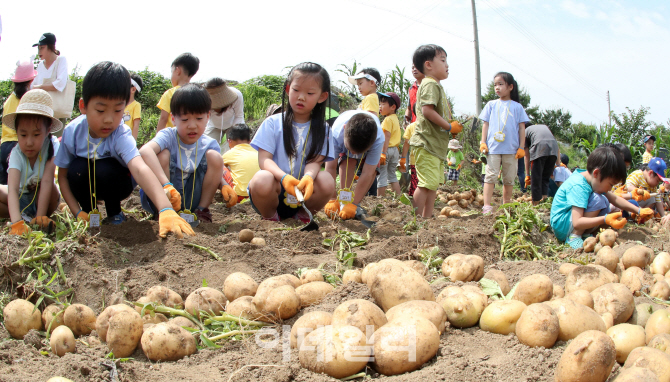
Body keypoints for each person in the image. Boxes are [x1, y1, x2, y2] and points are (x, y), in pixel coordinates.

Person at [55, 61, 194, 237]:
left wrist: (165, 209)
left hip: (119, 182)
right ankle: (88, 212)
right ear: (83, 106)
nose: (108, 120)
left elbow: (139, 167)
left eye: (117, 110)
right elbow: (62, 175)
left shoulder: (120, 133)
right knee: (77, 169)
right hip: (85, 181)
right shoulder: (72, 132)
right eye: (100, 110)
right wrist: (76, 212)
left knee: (105, 168)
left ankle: (115, 213)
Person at [248, 62, 335, 222]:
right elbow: (264, 160)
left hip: (303, 194)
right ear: (288, 89)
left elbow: (315, 162)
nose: (301, 97)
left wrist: (308, 177)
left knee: (327, 180)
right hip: (272, 192)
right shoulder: (272, 123)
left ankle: (302, 215)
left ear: (322, 97)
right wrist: (284, 178)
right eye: (296, 90)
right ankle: (270, 217)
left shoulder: (323, 129)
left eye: (309, 93)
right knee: (262, 178)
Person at [139, 84, 223, 223]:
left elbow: (217, 172)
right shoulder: (168, 136)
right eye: (184, 120)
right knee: (162, 154)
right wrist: (166, 185)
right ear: (173, 118)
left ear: (208, 116)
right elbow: (144, 151)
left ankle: (201, 211)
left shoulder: (209, 143)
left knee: (215, 157)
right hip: (165, 194)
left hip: (191, 198)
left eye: (199, 119)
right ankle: (164, 210)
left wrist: (225, 185)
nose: (192, 125)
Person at [550, 146, 649, 249]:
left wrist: (638, 210)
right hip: (561, 226)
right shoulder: (579, 185)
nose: (610, 188)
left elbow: (615, 199)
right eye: (611, 184)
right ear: (596, 173)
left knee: (608, 203)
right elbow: (577, 222)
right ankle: (574, 236)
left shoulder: (592, 179)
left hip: (568, 222)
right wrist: (605, 219)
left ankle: (586, 234)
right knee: (599, 199)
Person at [409, 44, 462, 218]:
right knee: (425, 184)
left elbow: (435, 114)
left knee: (432, 185)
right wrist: (448, 126)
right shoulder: (430, 84)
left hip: (434, 146)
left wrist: (450, 125)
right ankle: (415, 221)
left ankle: (427, 218)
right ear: (429, 65)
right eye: (443, 60)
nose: (447, 65)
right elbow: (427, 111)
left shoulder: (435, 85)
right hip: (426, 143)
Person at [0, 90, 61, 235]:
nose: (29, 142)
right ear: (17, 132)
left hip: (44, 199)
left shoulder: (52, 146)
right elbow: (13, 189)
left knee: (52, 187)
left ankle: (35, 217)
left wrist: (40, 218)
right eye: (23, 134)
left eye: (36, 134)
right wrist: (16, 223)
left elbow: (46, 181)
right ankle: (19, 217)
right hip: (21, 198)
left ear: (48, 130)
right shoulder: (16, 153)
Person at [479, 72, 529, 214]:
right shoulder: (491, 105)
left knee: (509, 178)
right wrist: (483, 142)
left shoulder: (517, 107)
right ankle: (487, 206)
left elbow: (521, 128)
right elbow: (486, 124)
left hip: (511, 149)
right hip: (493, 148)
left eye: (501, 84)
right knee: (490, 176)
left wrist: (521, 147)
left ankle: (506, 205)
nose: (497, 87)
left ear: (510, 87)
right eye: (495, 85)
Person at [324, 110, 383, 219]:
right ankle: (343, 201)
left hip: (369, 140)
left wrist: (354, 204)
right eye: (350, 149)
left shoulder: (378, 139)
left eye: (358, 152)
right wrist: (331, 198)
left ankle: (352, 204)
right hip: (344, 134)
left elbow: (368, 173)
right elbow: (330, 167)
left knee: (373, 171)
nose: (354, 154)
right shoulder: (336, 134)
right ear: (345, 128)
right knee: (347, 160)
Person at [1, 61, 37, 185]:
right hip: (19, 146)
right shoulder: (28, 99)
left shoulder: (9, 100)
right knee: (20, 190)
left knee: (5, 187)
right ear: (31, 80)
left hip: (4, 146)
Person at [30, 33, 69, 134]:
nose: (39, 51)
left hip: (58, 111)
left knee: (55, 141)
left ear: (51, 47)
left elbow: (60, 84)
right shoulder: (40, 65)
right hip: (43, 111)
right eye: (38, 48)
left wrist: (40, 87)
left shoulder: (61, 60)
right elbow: (32, 86)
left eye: (42, 48)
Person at [156, 53, 200, 132]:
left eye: (172, 71)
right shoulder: (197, 94)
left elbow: (163, 119)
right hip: (191, 137)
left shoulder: (170, 93)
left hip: (171, 139)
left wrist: (158, 140)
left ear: (178, 70)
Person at [204, 78, 244, 154]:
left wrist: (236, 135)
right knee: (207, 147)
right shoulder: (202, 100)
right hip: (213, 126)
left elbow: (239, 116)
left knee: (234, 148)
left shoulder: (237, 95)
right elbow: (203, 119)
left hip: (232, 125)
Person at [222, 124, 260, 203]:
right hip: (260, 194)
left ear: (229, 141)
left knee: (219, 166)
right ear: (250, 141)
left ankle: (227, 195)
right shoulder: (258, 153)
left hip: (240, 196)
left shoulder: (229, 154)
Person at [523, 123, 560, 205]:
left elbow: (526, 155)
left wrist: (527, 174)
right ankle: (544, 200)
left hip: (540, 148)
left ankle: (535, 203)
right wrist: (558, 163)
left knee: (536, 178)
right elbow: (557, 146)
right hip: (553, 148)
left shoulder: (525, 131)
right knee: (545, 177)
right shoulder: (544, 126)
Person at [377, 92, 402, 196]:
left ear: (393, 107)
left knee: (381, 175)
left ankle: (380, 199)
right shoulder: (395, 118)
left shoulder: (387, 120)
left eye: (383, 104)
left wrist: (382, 152)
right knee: (392, 175)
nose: (380, 106)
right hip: (395, 150)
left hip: (386, 149)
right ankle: (399, 197)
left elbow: (386, 137)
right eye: (380, 104)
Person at [123, 73, 143, 139]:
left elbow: (136, 126)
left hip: (127, 141)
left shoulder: (136, 105)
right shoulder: (120, 104)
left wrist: (133, 143)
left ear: (133, 89)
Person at [401, 121, 418, 196]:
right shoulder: (432, 124)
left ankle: (415, 200)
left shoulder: (411, 126)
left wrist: (403, 158)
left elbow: (406, 143)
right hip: (429, 160)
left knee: (415, 182)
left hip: (415, 159)